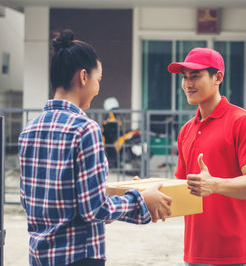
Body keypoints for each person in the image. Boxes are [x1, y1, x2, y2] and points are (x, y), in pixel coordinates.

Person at [18, 30, 172, 266]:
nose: (98, 87)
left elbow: (35, 199)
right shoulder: (84, 129)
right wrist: (142, 199)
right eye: (98, 79)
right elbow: (94, 210)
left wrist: (118, 193)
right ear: (83, 76)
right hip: (78, 256)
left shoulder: (29, 130)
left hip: (40, 256)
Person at [168, 47, 246, 265]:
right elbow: (182, 188)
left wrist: (213, 185)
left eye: (195, 76)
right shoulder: (186, 130)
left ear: (218, 77)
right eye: (184, 77)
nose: (187, 84)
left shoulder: (243, 122)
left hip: (235, 254)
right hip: (194, 253)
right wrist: (146, 190)